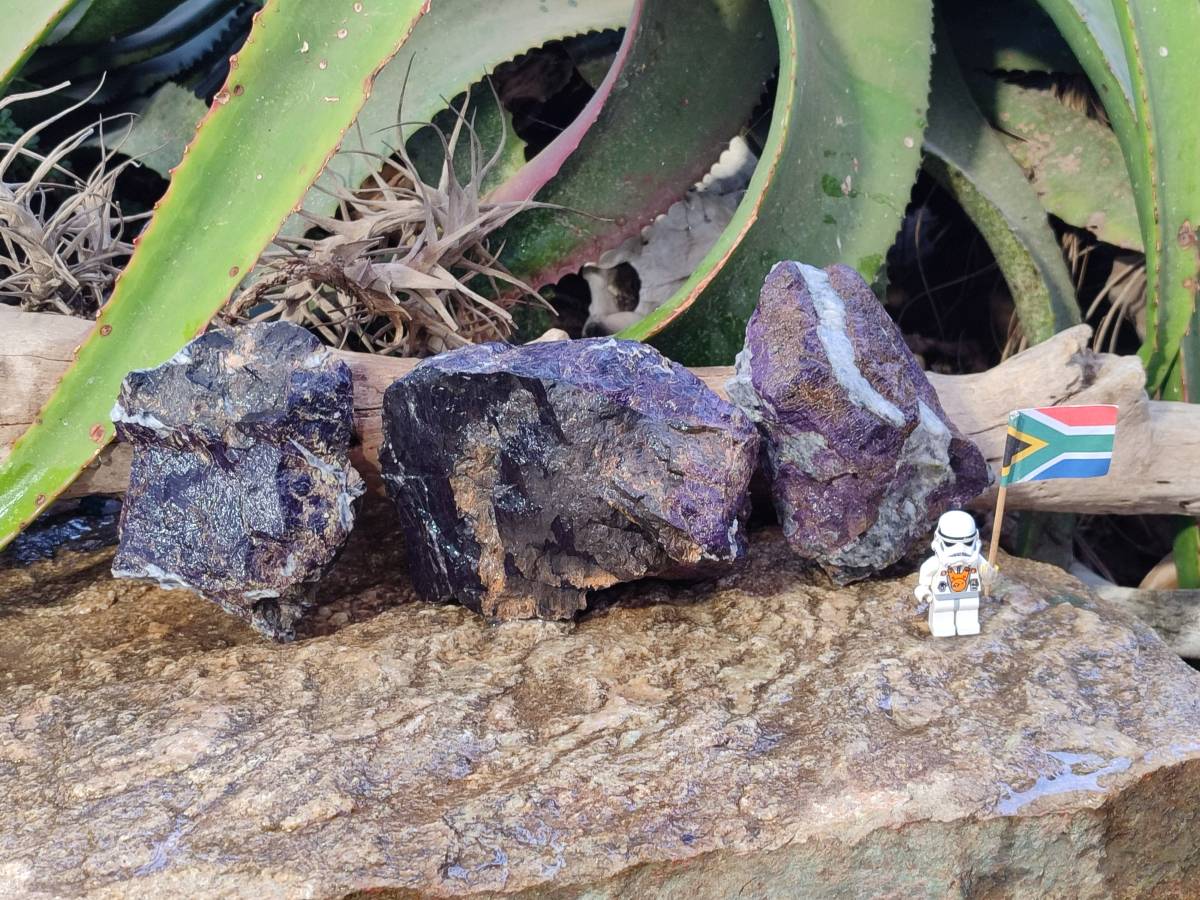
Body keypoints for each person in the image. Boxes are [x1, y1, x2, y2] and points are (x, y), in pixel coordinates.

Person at [914, 510, 994, 637]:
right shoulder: (937, 562)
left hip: (969, 595)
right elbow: (926, 572)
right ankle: (941, 626)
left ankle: (967, 626)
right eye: (950, 543)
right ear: (938, 539)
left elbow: (987, 575)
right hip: (943, 597)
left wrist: (988, 575)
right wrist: (923, 588)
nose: (960, 549)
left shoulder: (976, 560)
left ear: (975, 539)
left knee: (968, 615)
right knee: (942, 616)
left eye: (967, 543)